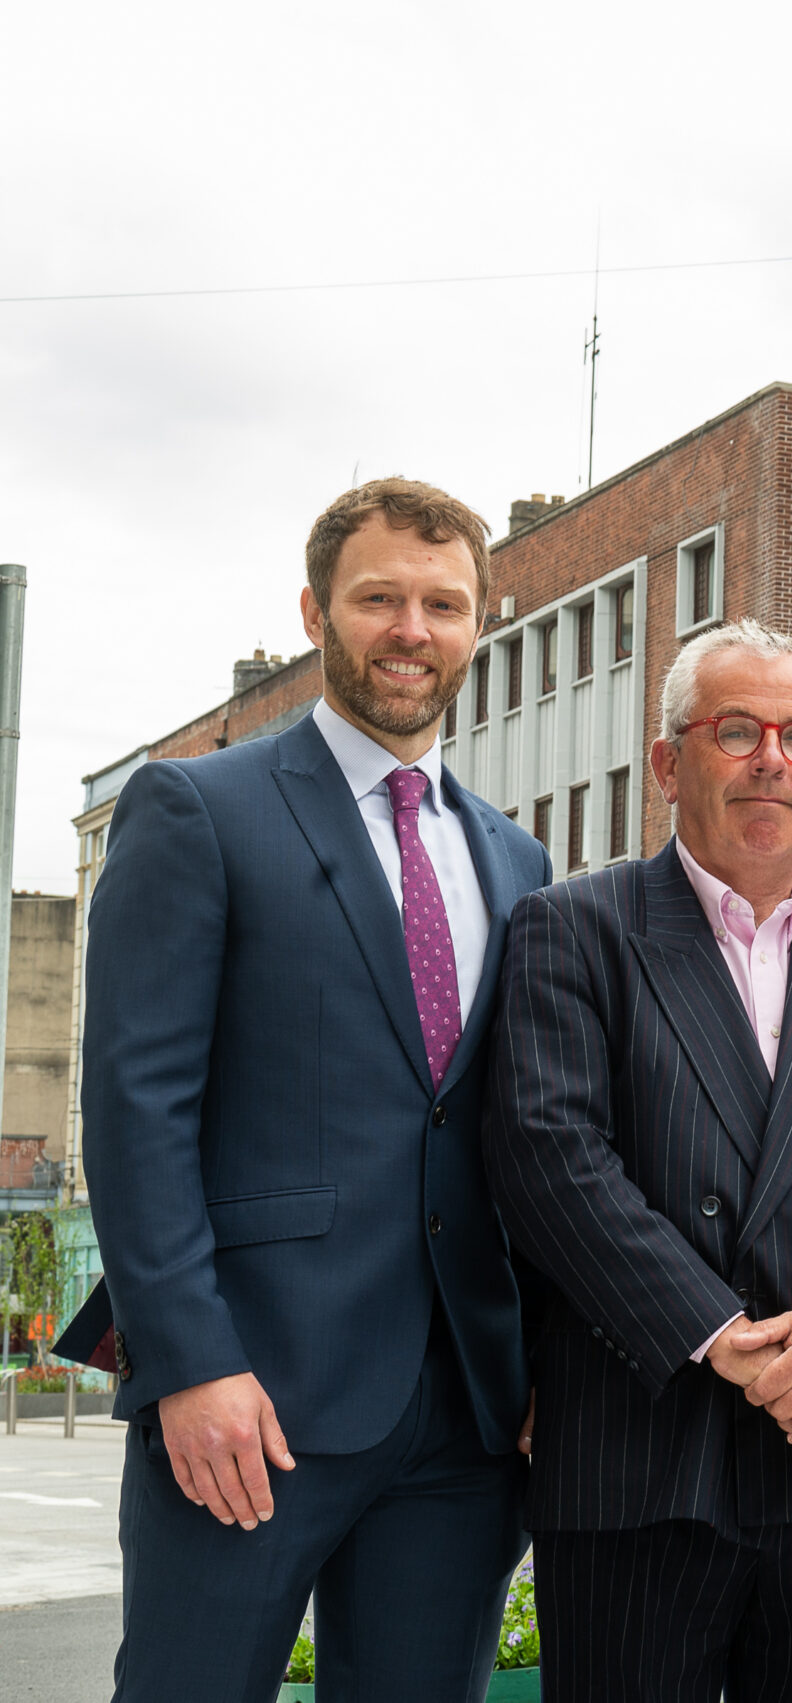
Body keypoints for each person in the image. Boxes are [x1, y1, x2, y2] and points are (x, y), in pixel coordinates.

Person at [70, 480, 547, 1702]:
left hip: (461, 1415)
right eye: (378, 596)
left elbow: (510, 1128)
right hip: (250, 1400)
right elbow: (138, 1108)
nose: (411, 629)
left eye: (443, 603)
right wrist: (189, 1361)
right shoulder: (198, 808)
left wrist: (539, 1363)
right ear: (314, 612)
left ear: (480, 623)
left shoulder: (513, 853)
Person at [484, 619, 792, 1703]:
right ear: (667, 761)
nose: (771, 759)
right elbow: (550, 1155)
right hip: (644, 1450)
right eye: (737, 729)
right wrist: (721, 1337)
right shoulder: (572, 926)